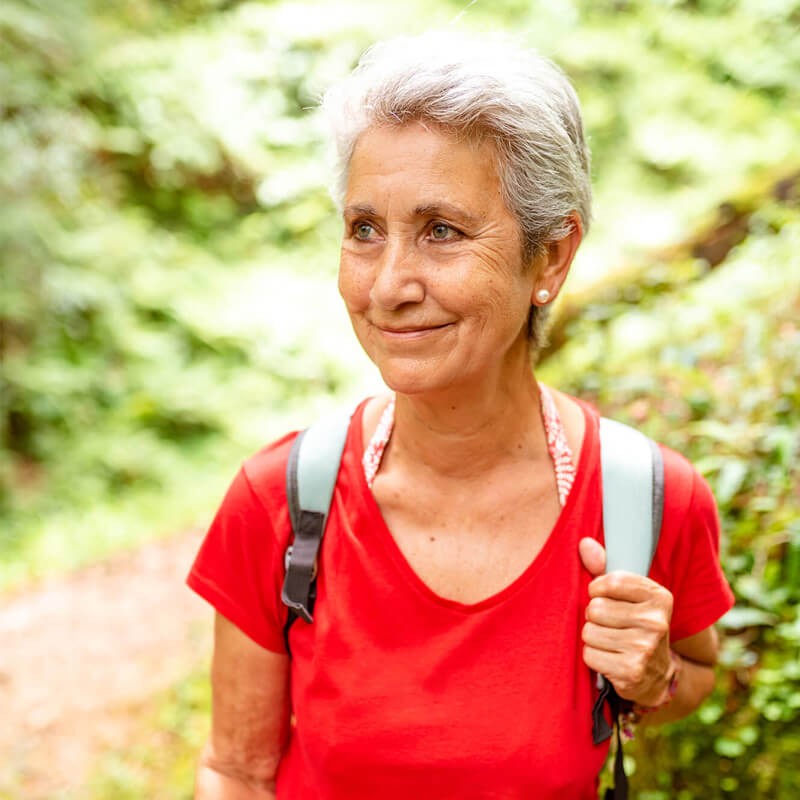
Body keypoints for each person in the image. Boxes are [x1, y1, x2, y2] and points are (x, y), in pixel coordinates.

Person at [187, 31, 735, 799]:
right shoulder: (281, 502)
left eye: (442, 230)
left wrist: (652, 676)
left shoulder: (645, 499)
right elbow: (235, 772)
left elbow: (695, 673)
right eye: (365, 229)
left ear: (550, 257)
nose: (389, 285)